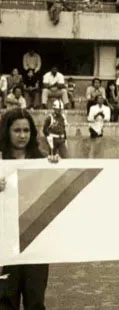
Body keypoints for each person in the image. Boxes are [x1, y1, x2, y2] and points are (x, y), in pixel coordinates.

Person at [0, 108, 60, 310]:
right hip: (5, 243)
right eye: (17, 130)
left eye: (26, 130)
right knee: (5, 299)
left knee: (35, 300)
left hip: (36, 241)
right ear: (7, 132)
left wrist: (54, 167)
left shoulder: (42, 160)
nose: (22, 135)